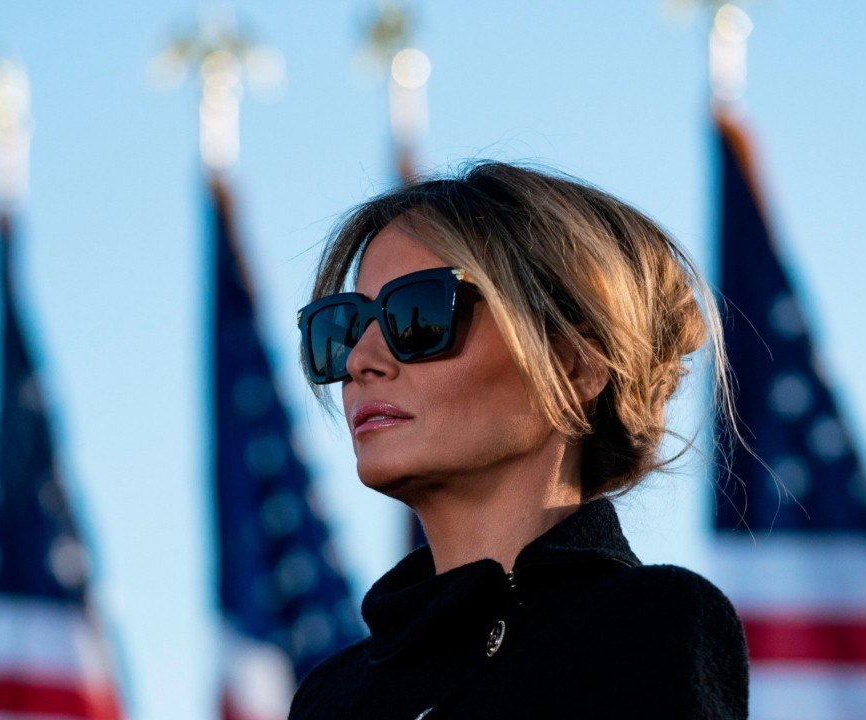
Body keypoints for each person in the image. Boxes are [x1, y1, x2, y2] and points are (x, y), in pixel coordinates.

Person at [287, 161, 750, 719]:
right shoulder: (328, 696)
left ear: (575, 365)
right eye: (344, 327)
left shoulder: (646, 624)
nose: (361, 361)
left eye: (419, 316)